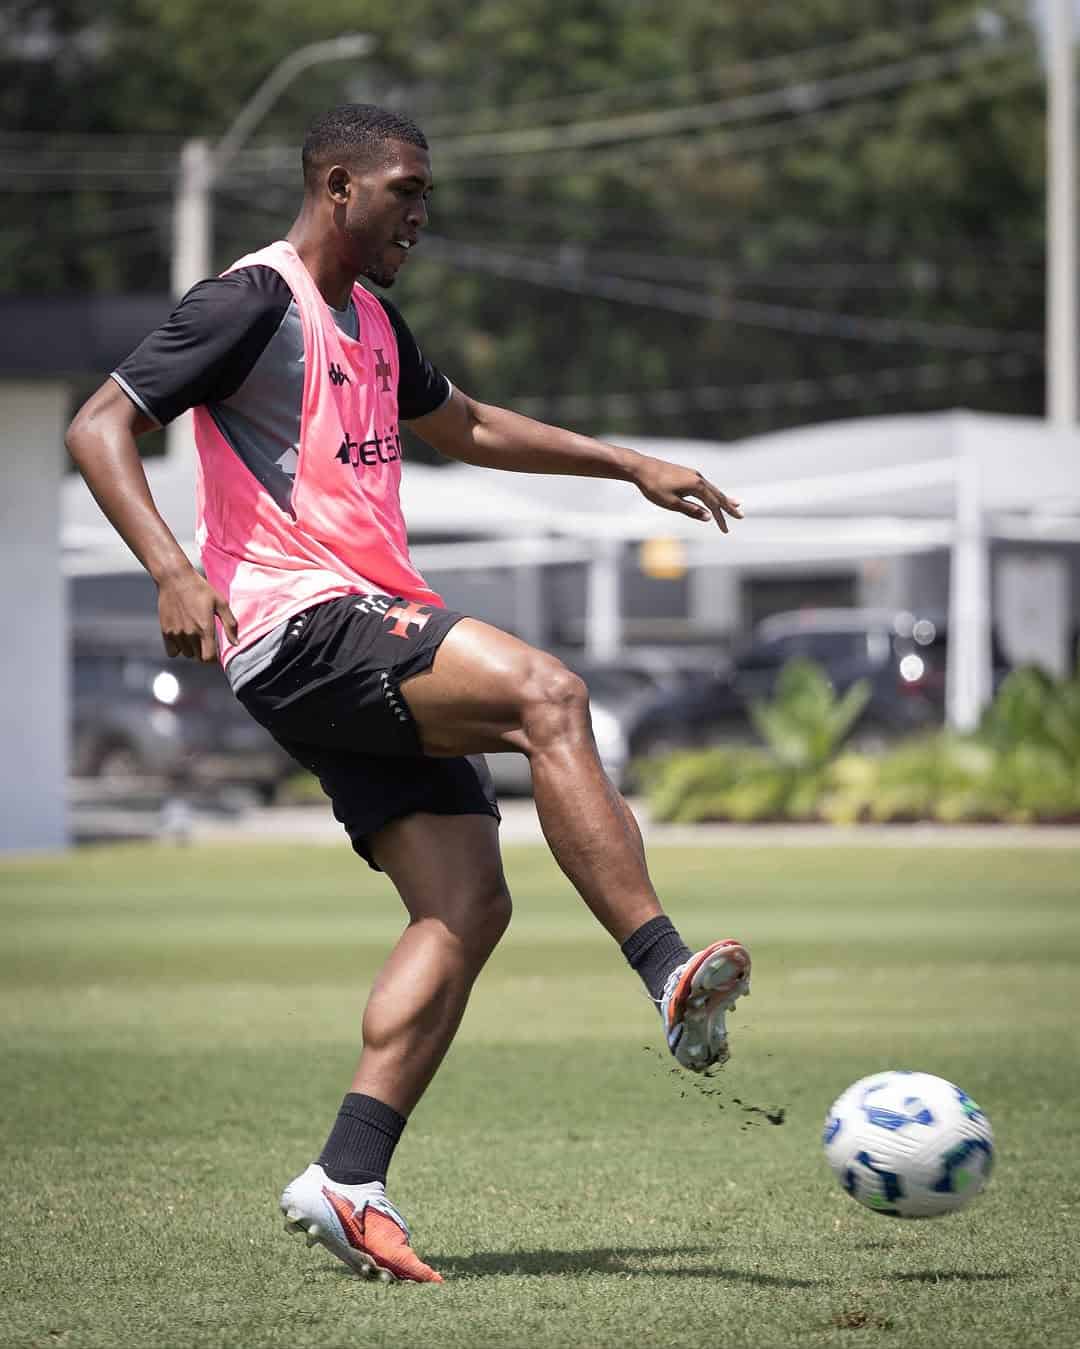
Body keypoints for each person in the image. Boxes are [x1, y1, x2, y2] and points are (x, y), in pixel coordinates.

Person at [66, 104, 751, 1285]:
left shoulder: (374, 321)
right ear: (338, 186)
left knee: (467, 905)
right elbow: (99, 425)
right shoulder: (250, 302)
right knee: (550, 693)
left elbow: (472, 423)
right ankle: (664, 969)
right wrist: (174, 568)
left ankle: (348, 1173)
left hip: (353, 627)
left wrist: (627, 460)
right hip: (300, 621)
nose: (421, 217)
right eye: (405, 192)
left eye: (427, 196)